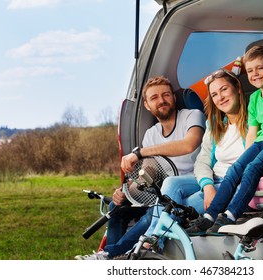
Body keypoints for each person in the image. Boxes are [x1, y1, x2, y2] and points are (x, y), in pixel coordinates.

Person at [75, 75, 205, 260]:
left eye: (166, 95)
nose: (161, 100)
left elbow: (188, 145)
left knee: (154, 212)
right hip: (162, 191)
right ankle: (112, 258)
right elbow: (149, 171)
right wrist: (127, 190)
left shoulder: (192, 116)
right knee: (116, 206)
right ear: (146, 105)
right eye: (154, 98)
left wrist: (140, 152)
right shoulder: (151, 134)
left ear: (173, 98)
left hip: (189, 187)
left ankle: (110, 255)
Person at [142, 67, 248, 251]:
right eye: (214, 94)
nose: (220, 97)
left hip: (233, 185)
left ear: (237, 89)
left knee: (175, 208)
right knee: (171, 184)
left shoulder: (251, 123)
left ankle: (153, 242)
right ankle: (154, 239)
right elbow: (202, 161)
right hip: (213, 180)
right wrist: (207, 186)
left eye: (224, 90)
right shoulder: (215, 125)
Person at [186, 45, 263, 235]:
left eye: (260, 68)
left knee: (252, 168)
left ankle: (231, 215)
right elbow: (253, 132)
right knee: (238, 168)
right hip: (260, 141)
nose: (255, 74)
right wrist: (244, 158)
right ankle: (210, 216)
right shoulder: (256, 99)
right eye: (250, 70)